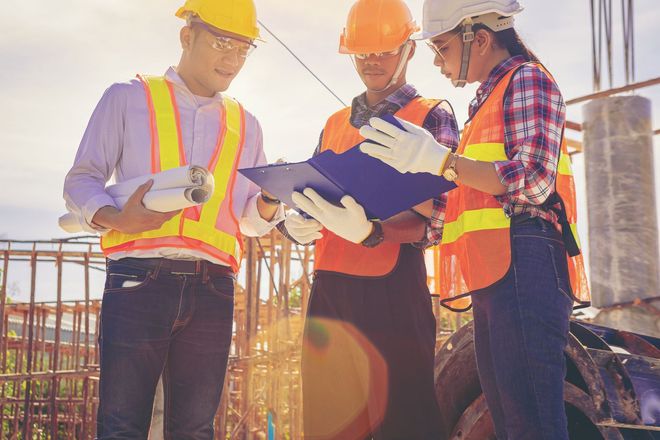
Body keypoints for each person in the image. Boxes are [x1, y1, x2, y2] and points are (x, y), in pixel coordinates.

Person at [359, 0, 592, 439]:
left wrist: (444, 162)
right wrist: (375, 212)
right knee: (510, 421)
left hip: (527, 261)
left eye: (442, 47)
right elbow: (459, 208)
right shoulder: (485, 102)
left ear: (480, 39)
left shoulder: (527, 80)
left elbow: (534, 180)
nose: (436, 60)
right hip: (499, 269)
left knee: (532, 422)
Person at [63, 1, 284, 438]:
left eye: (244, 49)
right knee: (122, 426)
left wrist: (272, 201)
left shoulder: (247, 123)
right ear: (187, 36)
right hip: (138, 277)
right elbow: (81, 181)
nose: (232, 59)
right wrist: (116, 218)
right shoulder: (128, 98)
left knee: (195, 429)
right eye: (222, 43)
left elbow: (248, 219)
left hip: (213, 287)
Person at [283, 0, 459, 438]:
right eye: (363, 53)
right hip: (329, 292)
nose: (372, 62)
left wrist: (374, 232)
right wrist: (300, 223)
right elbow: (318, 194)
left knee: (403, 421)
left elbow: (439, 220)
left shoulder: (431, 115)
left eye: (382, 51)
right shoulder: (333, 123)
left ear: (408, 50)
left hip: (393, 289)